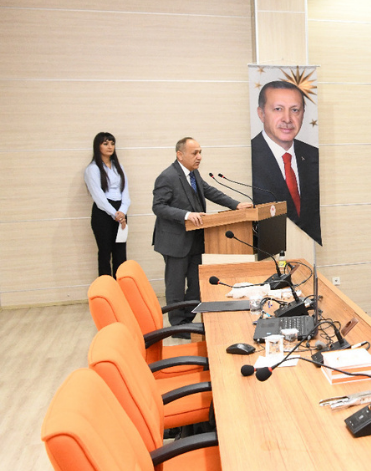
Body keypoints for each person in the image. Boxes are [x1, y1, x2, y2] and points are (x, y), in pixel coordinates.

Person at [153, 137, 253, 329]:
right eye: (194, 153)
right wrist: (186, 215)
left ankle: (189, 322)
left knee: (196, 284)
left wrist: (237, 205)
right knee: (175, 286)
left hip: (196, 239)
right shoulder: (168, 176)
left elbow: (211, 192)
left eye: (200, 152)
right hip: (175, 242)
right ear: (179, 155)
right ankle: (177, 327)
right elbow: (158, 207)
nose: (199, 157)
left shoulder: (194, 174)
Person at [251, 80, 320, 243]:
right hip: (268, 248)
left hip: (307, 247)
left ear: (303, 114)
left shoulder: (313, 155)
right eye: (278, 109)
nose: (287, 119)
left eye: (295, 110)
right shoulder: (251, 155)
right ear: (261, 113)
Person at [84, 132, 130, 277]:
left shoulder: (118, 166)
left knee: (120, 252)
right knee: (105, 252)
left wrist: (122, 211)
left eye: (112, 143)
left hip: (120, 212)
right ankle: (107, 291)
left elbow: (126, 192)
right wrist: (114, 213)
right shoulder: (92, 169)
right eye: (105, 144)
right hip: (103, 213)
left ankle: (121, 288)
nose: (110, 147)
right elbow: (98, 197)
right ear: (98, 147)